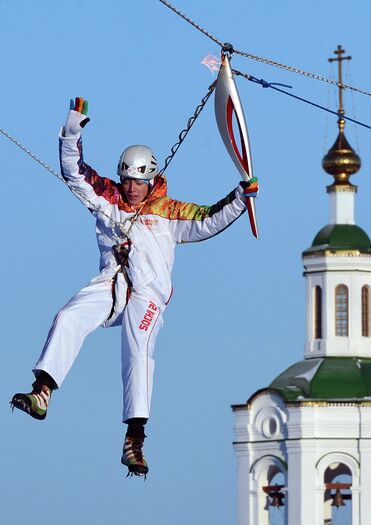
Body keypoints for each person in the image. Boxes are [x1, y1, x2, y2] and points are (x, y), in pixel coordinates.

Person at [10, 97, 260, 477]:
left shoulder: (168, 213)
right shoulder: (107, 200)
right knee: (68, 316)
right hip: (111, 285)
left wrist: (241, 197)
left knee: (136, 345)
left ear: (150, 180)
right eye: (126, 180)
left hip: (147, 296)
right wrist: (73, 126)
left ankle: (135, 438)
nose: (130, 188)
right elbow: (74, 171)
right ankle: (42, 391)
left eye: (137, 182)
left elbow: (209, 219)